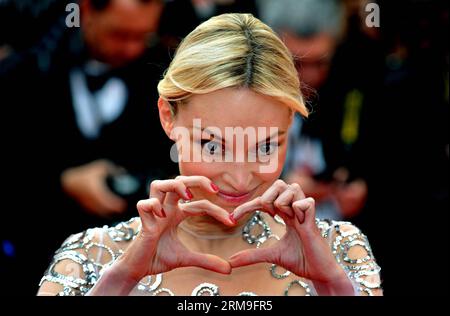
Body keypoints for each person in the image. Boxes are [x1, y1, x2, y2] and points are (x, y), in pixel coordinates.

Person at [37, 13, 383, 296]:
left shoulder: (339, 250)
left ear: (289, 124)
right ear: (168, 117)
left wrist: (332, 287)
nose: (239, 177)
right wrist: (120, 281)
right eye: (213, 145)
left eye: (265, 146)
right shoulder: (91, 257)